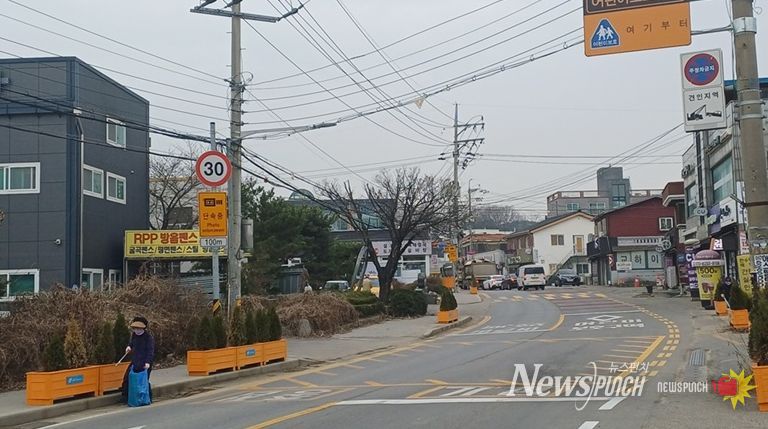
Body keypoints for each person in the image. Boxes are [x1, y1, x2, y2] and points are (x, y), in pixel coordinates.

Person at [121, 316, 155, 403]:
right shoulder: (134, 335)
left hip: (144, 362)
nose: (136, 330)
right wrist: (129, 347)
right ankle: (126, 397)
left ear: (143, 328)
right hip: (135, 361)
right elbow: (131, 343)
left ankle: (147, 397)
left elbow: (150, 351)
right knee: (127, 378)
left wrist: (148, 362)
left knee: (143, 380)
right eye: (135, 328)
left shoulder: (148, 338)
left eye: (138, 328)